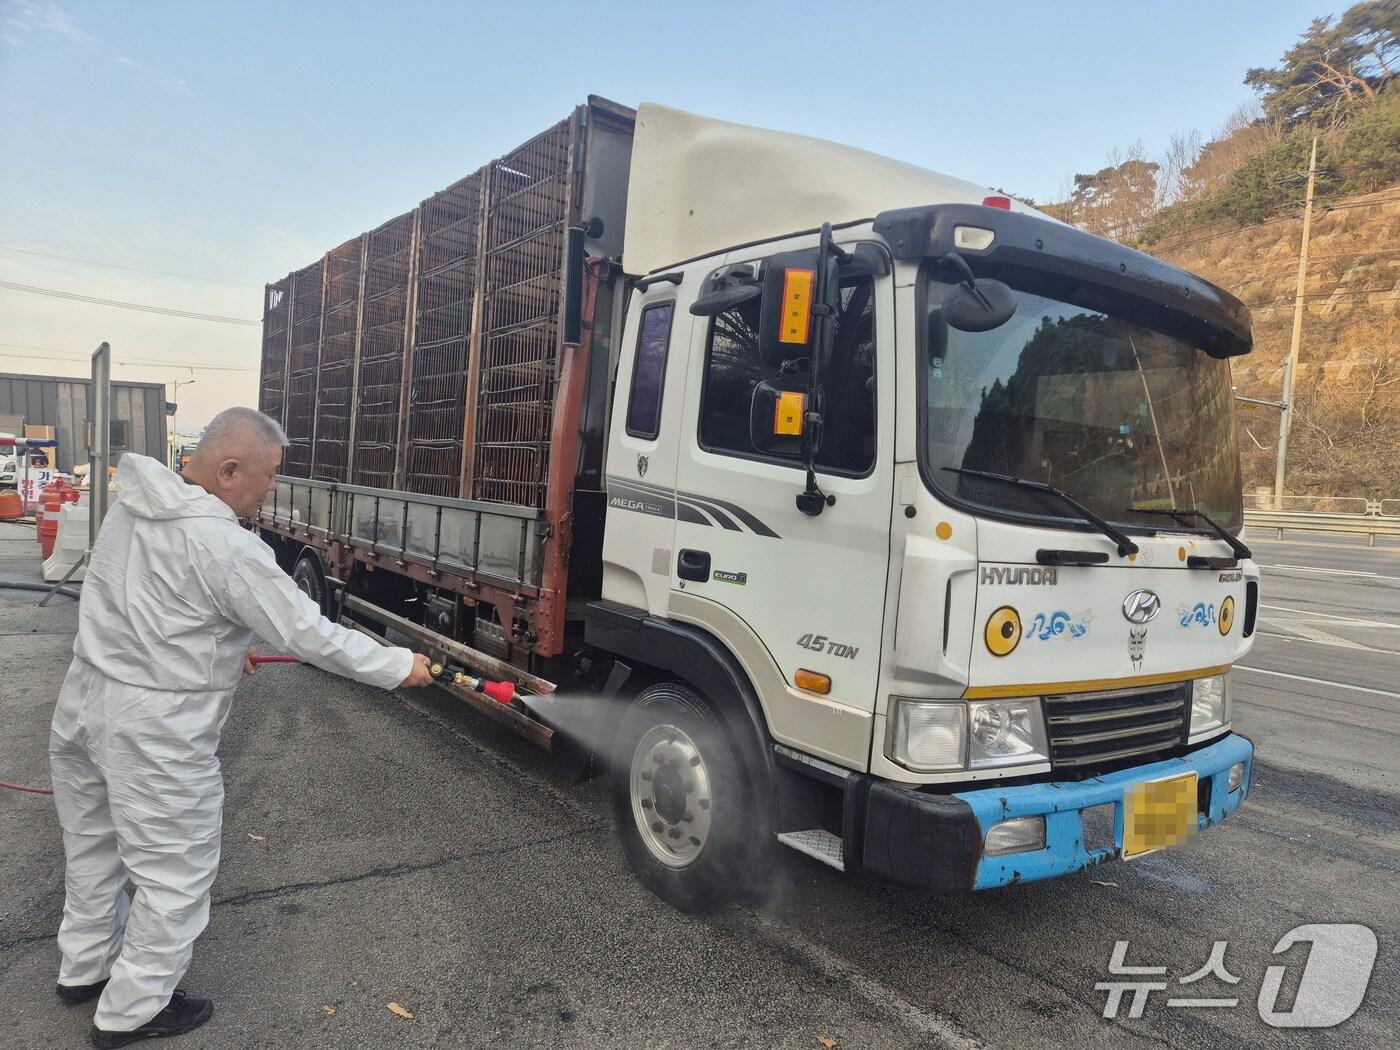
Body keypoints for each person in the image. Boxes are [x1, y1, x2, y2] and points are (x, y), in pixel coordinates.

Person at [48, 407, 434, 1048]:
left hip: (84, 704)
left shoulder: (134, 505)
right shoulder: (224, 544)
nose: (273, 487)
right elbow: (312, 634)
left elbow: (139, 599)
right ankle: (133, 1009)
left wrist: (225, 645)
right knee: (175, 875)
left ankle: (84, 967)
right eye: (270, 474)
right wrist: (399, 665)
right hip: (155, 732)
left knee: (94, 848)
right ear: (229, 471)